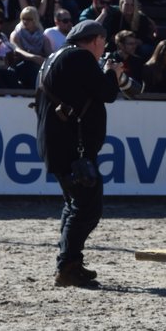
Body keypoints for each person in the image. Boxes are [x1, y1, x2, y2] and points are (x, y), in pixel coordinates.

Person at [33, 20, 137, 288]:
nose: (104, 48)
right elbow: (107, 93)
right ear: (95, 40)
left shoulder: (54, 58)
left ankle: (70, 263)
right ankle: (67, 266)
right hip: (72, 149)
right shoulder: (80, 57)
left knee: (74, 205)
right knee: (87, 208)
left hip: (58, 145)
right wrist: (112, 72)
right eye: (103, 43)